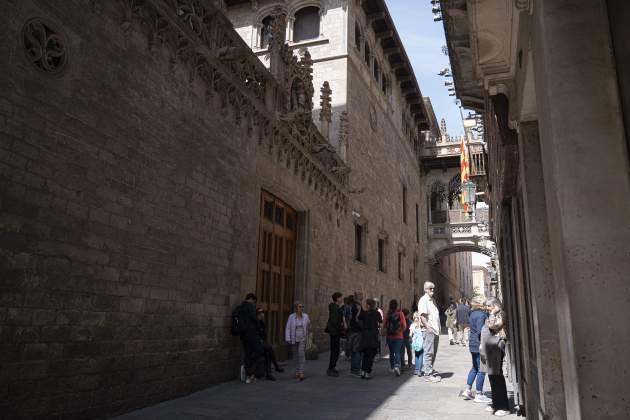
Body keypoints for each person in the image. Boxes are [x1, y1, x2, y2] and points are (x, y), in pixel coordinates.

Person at [481, 297, 510, 417]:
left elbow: (492, 326)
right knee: (492, 376)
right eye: (487, 306)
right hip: (490, 350)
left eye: (489, 306)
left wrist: (492, 314)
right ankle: (496, 403)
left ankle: (503, 406)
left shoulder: (501, 314)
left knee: (497, 376)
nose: (487, 309)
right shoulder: (493, 315)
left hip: (497, 349)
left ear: (495, 305)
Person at [459, 297, 491, 403]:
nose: (485, 304)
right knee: (481, 370)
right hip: (479, 344)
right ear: (479, 304)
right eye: (483, 302)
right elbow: (480, 331)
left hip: (473, 343)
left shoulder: (472, 314)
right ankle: (478, 394)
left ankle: (468, 390)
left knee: (475, 368)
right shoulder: (481, 315)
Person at [238, 293, 264, 384]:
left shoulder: (240, 307)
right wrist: (259, 331)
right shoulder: (250, 307)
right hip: (252, 334)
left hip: (243, 335)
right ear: (251, 299)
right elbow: (255, 320)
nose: (254, 303)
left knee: (247, 354)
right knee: (260, 351)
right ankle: (251, 373)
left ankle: (248, 375)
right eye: (254, 301)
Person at [418, 282, 441, 382]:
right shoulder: (423, 300)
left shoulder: (433, 301)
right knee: (429, 352)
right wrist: (428, 327)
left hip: (435, 330)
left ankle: (429, 370)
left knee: (433, 352)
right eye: (430, 288)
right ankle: (427, 374)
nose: (432, 290)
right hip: (429, 330)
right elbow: (422, 315)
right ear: (425, 289)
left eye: (433, 288)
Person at [285, 301, 310, 381]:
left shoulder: (306, 316)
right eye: (300, 307)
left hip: (302, 338)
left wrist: (308, 329)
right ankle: (296, 371)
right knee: (295, 355)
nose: (301, 308)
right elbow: (288, 327)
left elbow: (308, 325)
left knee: (301, 354)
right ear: (296, 308)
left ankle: (301, 372)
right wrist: (288, 338)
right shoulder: (291, 317)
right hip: (294, 338)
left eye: (302, 307)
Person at [256, 308, 283, 381]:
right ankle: (276, 366)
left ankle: (269, 374)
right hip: (256, 344)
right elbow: (254, 335)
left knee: (268, 353)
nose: (262, 314)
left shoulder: (262, 323)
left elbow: (264, 335)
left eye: (262, 313)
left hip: (262, 343)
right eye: (260, 313)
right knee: (270, 348)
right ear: (257, 314)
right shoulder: (255, 323)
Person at [358, 298, 382, 379]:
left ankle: (363, 371)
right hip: (373, 336)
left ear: (369, 305)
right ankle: (367, 372)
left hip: (365, 336)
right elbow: (380, 322)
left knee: (365, 354)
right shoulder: (377, 313)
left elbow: (358, 319)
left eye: (366, 304)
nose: (366, 305)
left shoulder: (364, 313)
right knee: (371, 355)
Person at [384, 299, 407, 376]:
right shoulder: (400, 313)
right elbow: (404, 326)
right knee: (397, 352)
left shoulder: (388, 313)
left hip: (390, 336)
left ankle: (392, 367)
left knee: (391, 352)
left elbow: (385, 325)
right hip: (399, 336)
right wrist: (400, 331)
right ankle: (397, 366)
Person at [325, 292, 344, 377]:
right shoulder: (335, 308)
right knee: (335, 351)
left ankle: (332, 367)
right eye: (340, 297)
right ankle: (331, 368)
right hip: (335, 332)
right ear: (337, 298)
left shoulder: (335, 307)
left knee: (335, 351)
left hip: (334, 332)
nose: (341, 299)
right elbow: (334, 321)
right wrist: (340, 327)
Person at [347, 295, 363, 377]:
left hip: (351, 331)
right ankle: (356, 370)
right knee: (356, 351)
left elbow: (348, 319)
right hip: (357, 331)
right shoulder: (357, 306)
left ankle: (353, 370)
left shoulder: (348, 307)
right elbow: (360, 318)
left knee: (353, 350)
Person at [409, 311, 424, 376]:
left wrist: (411, 340)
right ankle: (419, 371)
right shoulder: (422, 325)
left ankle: (416, 369)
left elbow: (410, 334)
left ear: (413, 317)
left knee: (416, 355)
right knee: (420, 355)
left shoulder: (412, 325)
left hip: (415, 342)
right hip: (421, 341)